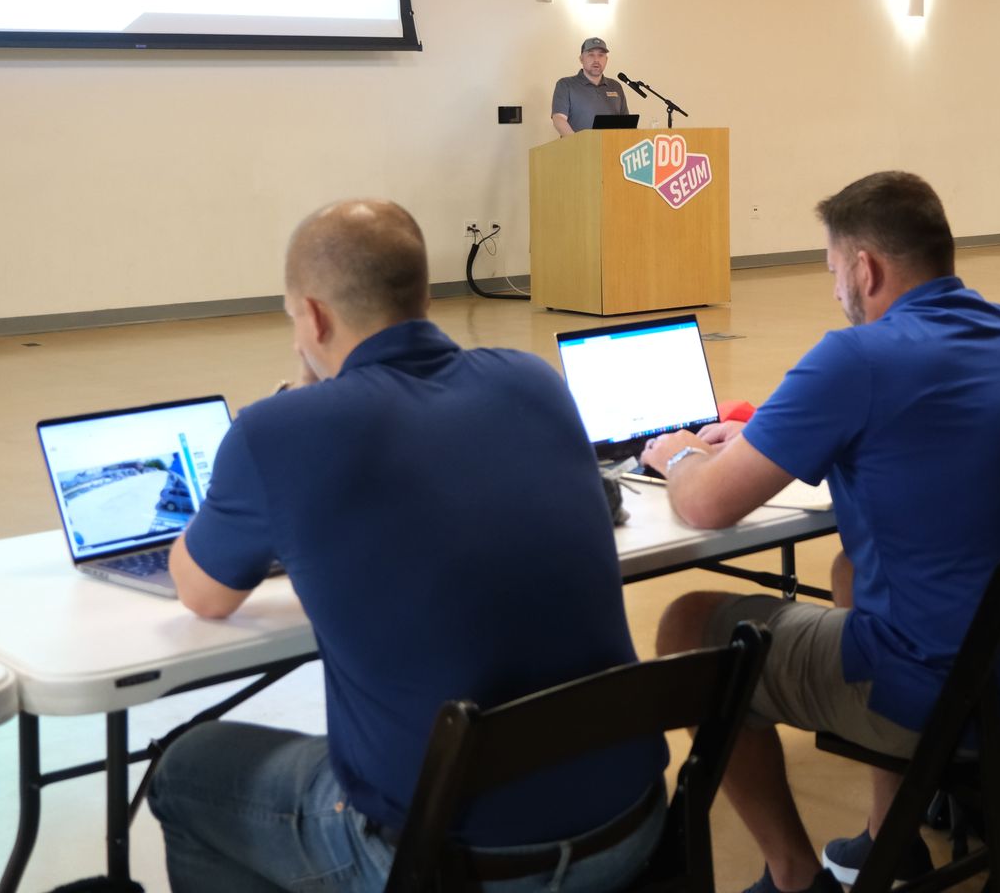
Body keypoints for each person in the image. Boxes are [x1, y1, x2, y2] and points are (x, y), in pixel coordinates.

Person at [150, 200, 666, 892]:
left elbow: (201, 592)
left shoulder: (279, 432)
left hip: (456, 863)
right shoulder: (533, 379)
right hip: (632, 823)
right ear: (424, 294)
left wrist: (300, 401)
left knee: (190, 769)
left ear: (313, 317)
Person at [643, 172, 1000, 893]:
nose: (835, 289)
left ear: (865, 267)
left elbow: (706, 505)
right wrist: (772, 429)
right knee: (851, 572)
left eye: (834, 270)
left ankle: (795, 875)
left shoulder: (853, 358)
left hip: (963, 693)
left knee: (688, 625)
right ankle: (886, 840)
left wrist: (675, 452)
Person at [551, 36, 629, 135]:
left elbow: (626, 124)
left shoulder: (615, 86)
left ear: (606, 59)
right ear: (581, 58)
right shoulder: (566, 85)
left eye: (601, 55)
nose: (596, 59)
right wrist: (578, 142)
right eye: (591, 55)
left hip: (612, 148)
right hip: (578, 149)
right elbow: (559, 119)